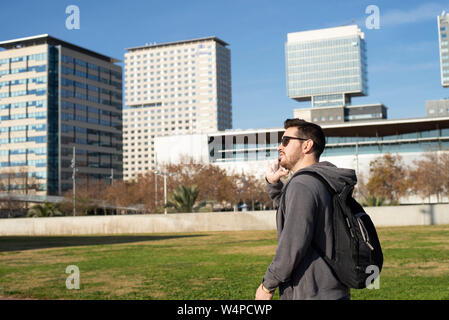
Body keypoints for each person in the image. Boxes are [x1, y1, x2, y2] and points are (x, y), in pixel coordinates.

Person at [255, 118, 356, 300]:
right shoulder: (324, 180)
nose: (280, 146)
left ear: (307, 145)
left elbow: (292, 244)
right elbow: (294, 212)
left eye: (286, 141)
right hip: (333, 289)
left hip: (309, 292)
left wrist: (267, 286)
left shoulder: (302, 184)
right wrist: (274, 184)